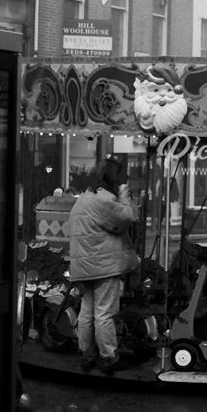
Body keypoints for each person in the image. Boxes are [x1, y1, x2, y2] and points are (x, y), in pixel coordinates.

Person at [68, 158, 139, 374]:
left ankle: (86, 354)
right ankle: (108, 357)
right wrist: (125, 195)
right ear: (113, 180)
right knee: (104, 313)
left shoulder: (85, 198)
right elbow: (127, 218)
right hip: (102, 265)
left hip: (84, 266)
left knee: (87, 312)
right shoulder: (103, 200)